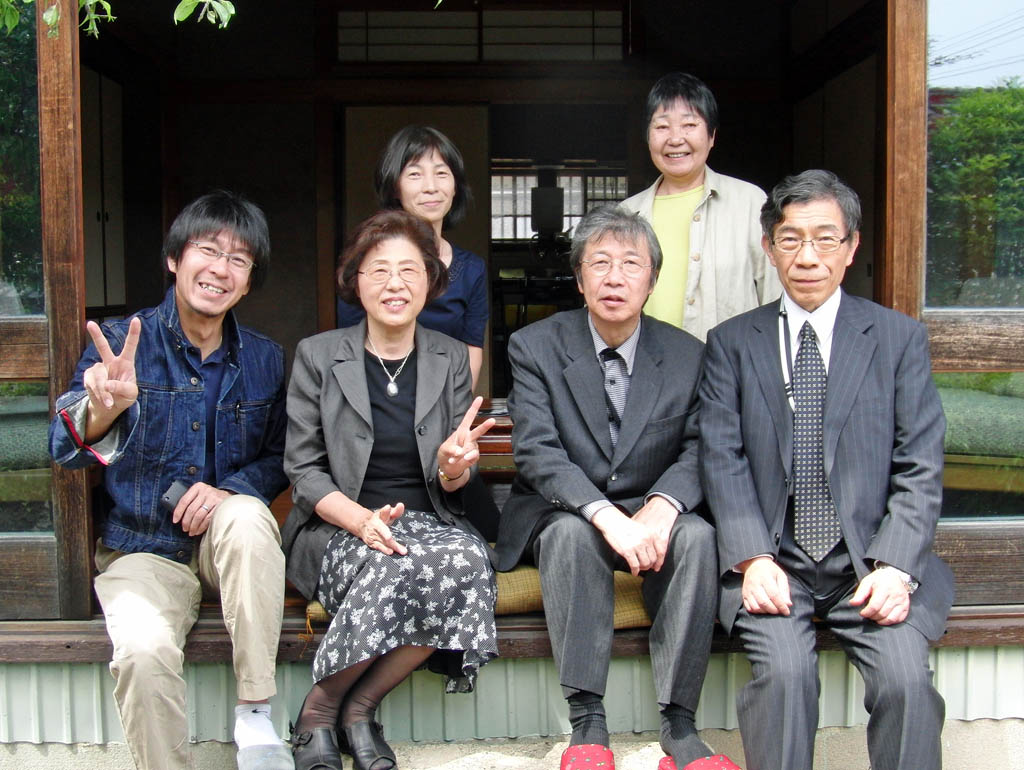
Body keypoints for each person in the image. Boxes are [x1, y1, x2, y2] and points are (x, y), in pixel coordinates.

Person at [699, 170, 953, 770]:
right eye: (790, 239)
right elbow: (721, 456)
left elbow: (920, 463)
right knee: (785, 679)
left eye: (825, 239)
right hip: (775, 561)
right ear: (769, 248)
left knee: (905, 683)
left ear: (851, 246)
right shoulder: (732, 343)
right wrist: (752, 556)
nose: (807, 257)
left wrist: (895, 566)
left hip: (869, 562)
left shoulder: (897, 339)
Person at [48, 191, 292, 770]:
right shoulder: (120, 344)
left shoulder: (265, 359)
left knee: (247, 514)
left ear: (249, 281)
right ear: (174, 259)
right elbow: (63, 448)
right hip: (141, 547)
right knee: (141, 652)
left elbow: (282, 455)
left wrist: (230, 489)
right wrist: (103, 408)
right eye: (208, 250)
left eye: (238, 259)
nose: (221, 269)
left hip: (226, 547)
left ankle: (255, 711)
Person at [495, 206, 740, 770]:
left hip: (650, 506)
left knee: (697, 537)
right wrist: (605, 515)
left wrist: (663, 506)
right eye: (599, 263)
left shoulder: (688, 355)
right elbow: (537, 452)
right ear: (579, 279)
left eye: (631, 264)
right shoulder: (534, 346)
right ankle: (587, 721)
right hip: (566, 507)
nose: (614, 278)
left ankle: (680, 724)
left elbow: (701, 447)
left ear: (652, 281)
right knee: (571, 536)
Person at [282, 209, 499, 770]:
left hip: (430, 522)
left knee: (467, 559)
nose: (394, 283)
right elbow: (303, 470)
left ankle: (354, 708)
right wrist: (362, 521)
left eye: (409, 270)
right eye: (378, 270)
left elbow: (454, 478)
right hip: (337, 525)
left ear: (430, 281)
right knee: (393, 562)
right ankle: (321, 712)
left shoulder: (451, 356)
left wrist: (455, 467)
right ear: (356, 281)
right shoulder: (318, 355)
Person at [622, 72, 781, 341]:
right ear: (648, 137)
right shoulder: (625, 214)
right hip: (645, 363)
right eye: (662, 127)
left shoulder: (751, 203)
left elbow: (775, 297)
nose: (675, 139)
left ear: (711, 136)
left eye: (689, 125)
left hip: (730, 363)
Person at [337, 125, 489, 390]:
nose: (431, 187)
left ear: (455, 186)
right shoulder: (365, 262)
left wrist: (457, 405)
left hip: (444, 396)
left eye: (441, 173)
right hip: (376, 394)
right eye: (415, 174)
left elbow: (471, 351)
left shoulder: (472, 269)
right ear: (395, 187)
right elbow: (349, 343)